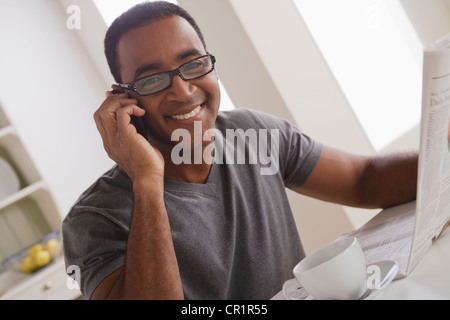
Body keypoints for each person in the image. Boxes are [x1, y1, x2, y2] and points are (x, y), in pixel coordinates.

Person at [62, 1, 418, 300]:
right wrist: (147, 182)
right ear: (124, 98)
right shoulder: (94, 219)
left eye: (194, 64)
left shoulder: (253, 133)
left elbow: (363, 180)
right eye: (152, 79)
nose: (184, 92)